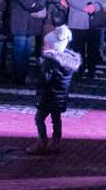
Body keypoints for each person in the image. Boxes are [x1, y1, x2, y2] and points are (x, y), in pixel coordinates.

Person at [26, 26, 81, 155]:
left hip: (48, 96)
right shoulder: (67, 62)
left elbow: (44, 80)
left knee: (39, 118)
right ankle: (56, 141)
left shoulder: (51, 62)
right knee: (56, 118)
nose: (43, 46)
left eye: (46, 44)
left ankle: (42, 142)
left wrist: (32, 78)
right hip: (60, 96)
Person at [8, 0, 47, 84]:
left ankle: (25, 72)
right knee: (20, 44)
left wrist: (40, 3)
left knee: (29, 45)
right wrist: (30, 3)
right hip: (20, 13)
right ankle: (18, 74)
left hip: (34, 13)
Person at [66, 0, 106, 78]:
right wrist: (84, 8)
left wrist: (95, 6)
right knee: (78, 47)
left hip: (93, 18)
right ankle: (79, 70)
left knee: (93, 46)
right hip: (78, 17)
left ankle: (92, 69)